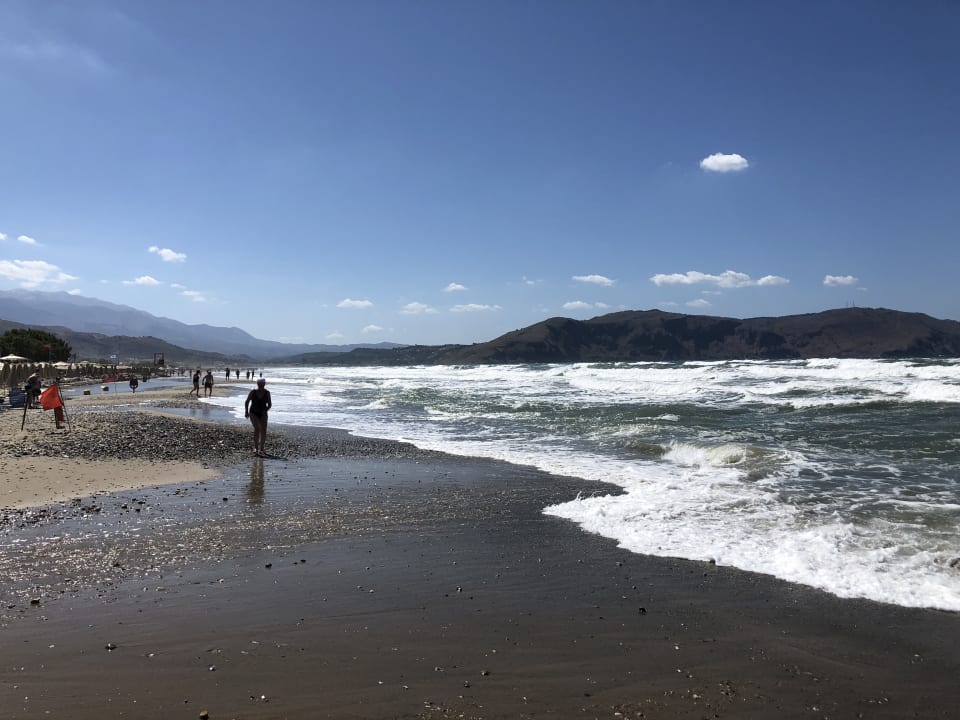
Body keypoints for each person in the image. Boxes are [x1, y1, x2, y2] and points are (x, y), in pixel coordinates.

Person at [244, 377, 272, 457]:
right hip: (253, 412)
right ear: (257, 384)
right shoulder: (253, 392)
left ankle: (262, 449)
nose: (261, 385)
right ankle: (256, 448)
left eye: (262, 384)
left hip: (263, 413)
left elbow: (270, 404)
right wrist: (246, 411)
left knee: (264, 430)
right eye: (260, 384)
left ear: (264, 384)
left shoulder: (267, 393)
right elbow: (247, 402)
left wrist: (266, 410)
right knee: (257, 428)